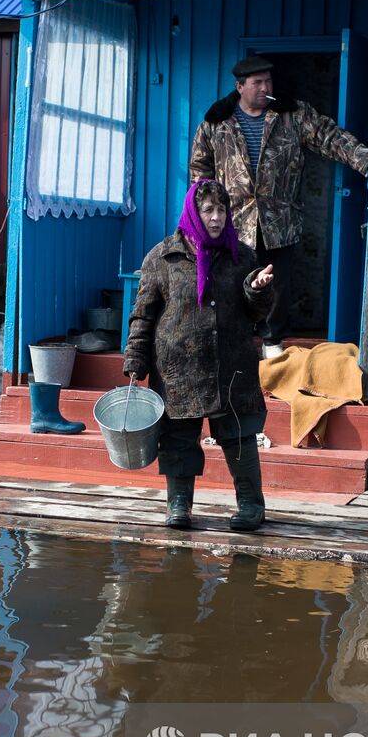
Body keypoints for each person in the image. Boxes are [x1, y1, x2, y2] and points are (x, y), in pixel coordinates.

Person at [189, 55, 368, 358]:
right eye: (257, 82)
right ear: (240, 87)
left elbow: (330, 137)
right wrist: (207, 213)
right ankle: (238, 339)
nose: (265, 87)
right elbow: (199, 169)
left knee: (276, 282)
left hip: (279, 218)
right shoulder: (216, 121)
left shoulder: (292, 114)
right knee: (234, 280)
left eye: (268, 81)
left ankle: (272, 342)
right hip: (233, 220)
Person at [122, 180, 275, 533]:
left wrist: (258, 292)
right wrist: (135, 361)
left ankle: (251, 505)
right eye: (208, 210)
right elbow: (142, 315)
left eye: (222, 210)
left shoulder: (243, 256)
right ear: (194, 212)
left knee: (239, 435)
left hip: (231, 362)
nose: (217, 218)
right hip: (179, 367)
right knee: (177, 437)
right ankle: (179, 505)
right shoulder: (162, 257)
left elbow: (256, 313)